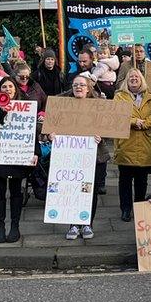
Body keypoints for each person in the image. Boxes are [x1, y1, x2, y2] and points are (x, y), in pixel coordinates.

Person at [0, 76, 38, 243]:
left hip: (18, 155)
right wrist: (2, 111)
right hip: (0, 154)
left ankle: (15, 226)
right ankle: (0, 226)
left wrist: (35, 152)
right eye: (4, 87)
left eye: (10, 87)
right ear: (0, 90)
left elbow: (32, 130)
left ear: (16, 89)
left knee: (16, 191)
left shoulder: (25, 105)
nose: (7, 89)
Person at [114, 69, 151, 222]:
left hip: (144, 144)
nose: (134, 79)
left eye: (136, 77)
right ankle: (126, 209)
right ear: (126, 81)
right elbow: (117, 115)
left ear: (141, 80)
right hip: (126, 144)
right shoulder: (119, 96)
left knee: (142, 180)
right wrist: (135, 122)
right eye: (131, 77)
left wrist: (145, 124)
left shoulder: (150, 96)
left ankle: (140, 207)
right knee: (125, 181)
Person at [64, 74, 107, 240]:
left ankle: (87, 222)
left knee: (90, 191)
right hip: (71, 156)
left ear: (88, 88)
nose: (78, 88)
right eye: (75, 85)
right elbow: (50, 124)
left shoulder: (98, 106)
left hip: (94, 156)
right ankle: (73, 224)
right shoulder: (63, 104)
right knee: (72, 190)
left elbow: (109, 126)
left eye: (82, 85)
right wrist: (51, 134)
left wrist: (101, 135)